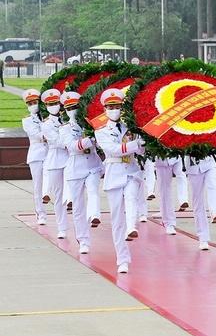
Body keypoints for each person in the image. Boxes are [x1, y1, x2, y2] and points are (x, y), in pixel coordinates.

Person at [94, 88, 146, 274]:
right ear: (105, 109)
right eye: (111, 106)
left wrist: (144, 143)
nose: (114, 109)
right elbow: (115, 149)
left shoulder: (131, 128)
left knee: (132, 197)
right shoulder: (101, 132)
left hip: (132, 170)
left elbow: (140, 152)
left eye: (117, 106)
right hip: (114, 173)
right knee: (117, 219)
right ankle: (122, 259)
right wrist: (135, 144)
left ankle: (132, 227)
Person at [59, 92, 103, 254]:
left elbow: (99, 143)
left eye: (75, 107)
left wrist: (96, 137)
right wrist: (89, 139)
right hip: (75, 165)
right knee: (77, 206)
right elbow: (71, 145)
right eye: (69, 108)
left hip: (91, 162)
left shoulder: (89, 123)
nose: (73, 110)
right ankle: (83, 240)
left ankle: (94, 215)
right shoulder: (64, 128)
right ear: (65, 109)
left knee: (93, 190)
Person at [40, 88, 70, 239]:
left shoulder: (68, 118)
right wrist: (71, 144)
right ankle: (62, 227)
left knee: (71, 194)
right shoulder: (45, 124)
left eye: (56, 103)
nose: (54, 106)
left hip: (71, 158)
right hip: (56, 159)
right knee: (58, 196)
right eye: (50, 104)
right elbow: (56, 141)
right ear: (46, 106)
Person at [21, 89, 49, 225]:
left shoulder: (48, 116)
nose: (33, 105)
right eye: (30, 103)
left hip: (50, 153)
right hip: (37, 153)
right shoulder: (27, 120)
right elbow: (36, 133)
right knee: (38, 186)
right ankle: (41, 213)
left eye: (35, 102)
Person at [185, 156, 216, 250]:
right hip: (193, 165)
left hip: (210, 161)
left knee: (212, 185)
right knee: (198, 200)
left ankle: (214, 211)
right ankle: (203, 237)